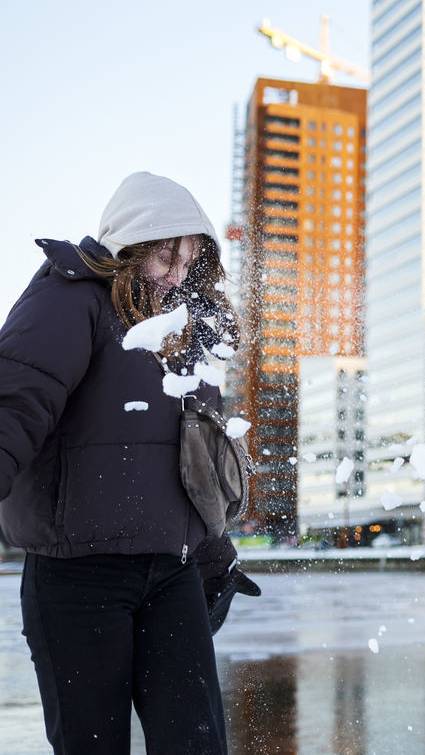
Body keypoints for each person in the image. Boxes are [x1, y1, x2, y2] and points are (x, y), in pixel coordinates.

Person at [0, 172, 261, 754]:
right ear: (130, 244)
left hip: (172, 574)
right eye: (164, 257)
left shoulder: (187, 330)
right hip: (76, 575)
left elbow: (198, 460)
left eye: (187, 260)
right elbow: (16, 402)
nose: (175, 275)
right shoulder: (69, 299)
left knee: (195, 745)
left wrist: (214, 551)